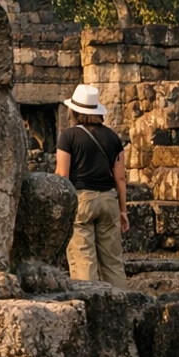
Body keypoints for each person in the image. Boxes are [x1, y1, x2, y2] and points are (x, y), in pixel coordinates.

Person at [55, 83, 128, 287]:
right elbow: (120, 178)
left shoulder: (68, 136)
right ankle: (121, 303)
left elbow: (62, 174)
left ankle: (90, 306)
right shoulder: (113, 137)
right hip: (109, 200)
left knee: (83, 259)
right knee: (113, 261)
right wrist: (123, 211)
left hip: (81, 200)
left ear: (74, 111)